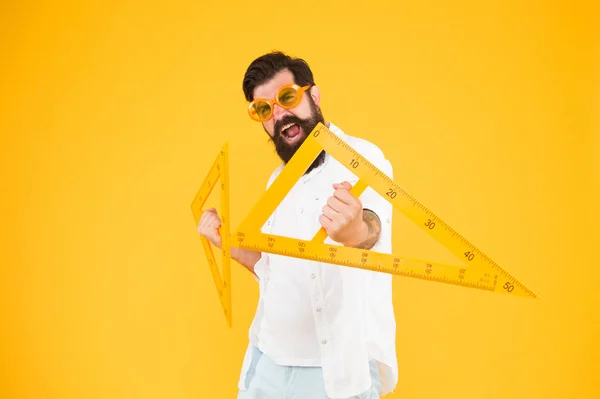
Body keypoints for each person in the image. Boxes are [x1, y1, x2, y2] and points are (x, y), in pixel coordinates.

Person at [198, 51, 398, 399]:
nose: (278, 114)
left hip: (337, 374)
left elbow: (371, 230)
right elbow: (274, 269)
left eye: (287, 98)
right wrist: (227, 244)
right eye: (264, 109)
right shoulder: (278, 181)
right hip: (267, 364)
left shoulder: (364, 157)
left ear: (313, 96)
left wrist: (352, 231)